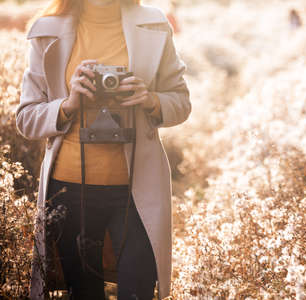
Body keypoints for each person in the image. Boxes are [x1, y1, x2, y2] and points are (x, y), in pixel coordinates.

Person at [16, 0, 191, 299]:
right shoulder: (49, 30)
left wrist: (148, 99)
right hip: (69, 190)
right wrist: (68, 105)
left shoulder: (154, 24)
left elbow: (182, 102)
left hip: (137, 190)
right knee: (84, 293)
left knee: (138, 290)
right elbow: (25, 118)